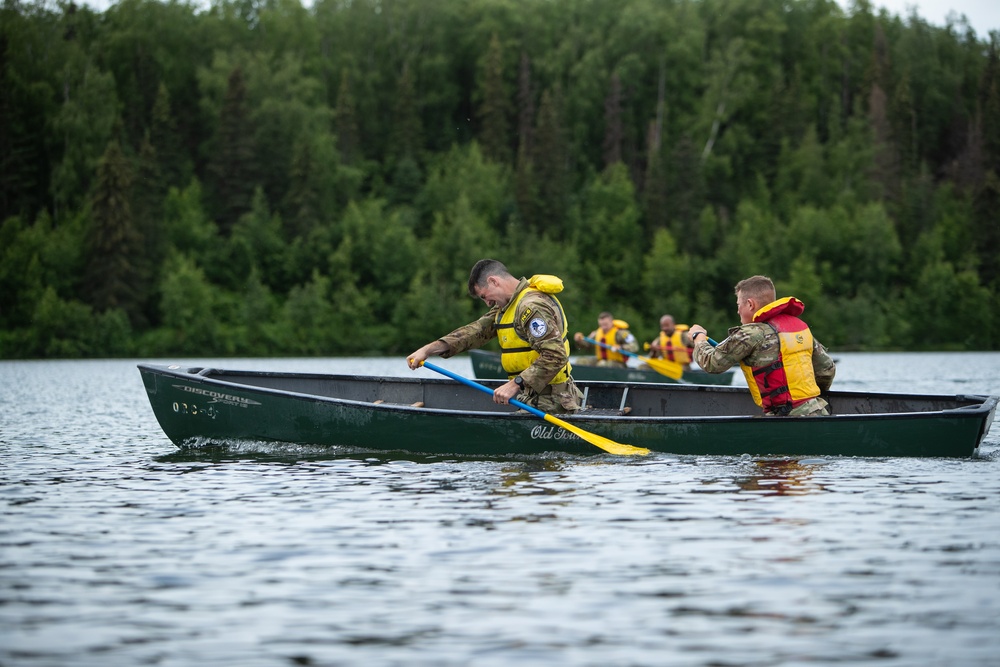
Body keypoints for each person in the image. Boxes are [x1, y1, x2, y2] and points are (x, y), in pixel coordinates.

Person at [407, 259, 584, 414]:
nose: (487, 303)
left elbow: (555, 355)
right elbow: (475, 331)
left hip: (552, 401)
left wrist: (515, 384)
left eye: (484, 296)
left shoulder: (530, 307)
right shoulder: (507, 306)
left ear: (493, 281)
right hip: (532, 398)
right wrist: (428, 349)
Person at [688, 275, 836, 416]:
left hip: (787, 419)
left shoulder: (752, 333)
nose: (737, 310)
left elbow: (712, 363)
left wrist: (698, 337)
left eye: (739, 304)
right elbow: (827, 370)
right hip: (818, 412)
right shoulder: (799, 328)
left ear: (750, 304)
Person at [572, 312, 639, 368]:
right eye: (601, 325)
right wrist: (579, 341)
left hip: (618, 363)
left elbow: (635, 346)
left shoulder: (621, 333)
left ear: (611, 322)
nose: (603, 327)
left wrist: (621, 347)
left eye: (606, 324)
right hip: (600, 360)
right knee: (581, 362)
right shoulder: (596, 333)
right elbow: (586, 345)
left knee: (602, 364)